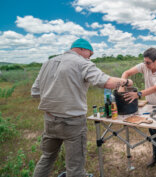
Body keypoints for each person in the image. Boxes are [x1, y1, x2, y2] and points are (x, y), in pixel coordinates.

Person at [31, 38, 133, 177]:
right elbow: (107, 82)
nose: (90, 58)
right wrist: (126, 81)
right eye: (90, 55)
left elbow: (35, 92)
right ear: (83, 49)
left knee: (47, 157)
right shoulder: (82, 62)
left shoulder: (47, 63)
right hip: (72, 122)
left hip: (50, 120)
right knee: (75, 167)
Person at [121, 47, 156, 176]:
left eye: (148, 62)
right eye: (144, 62)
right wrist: (122, 83)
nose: (145, 65)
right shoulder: (144, 66)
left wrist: (138, 94)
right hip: (152, 104)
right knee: (153, 131)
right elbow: (126, 72)